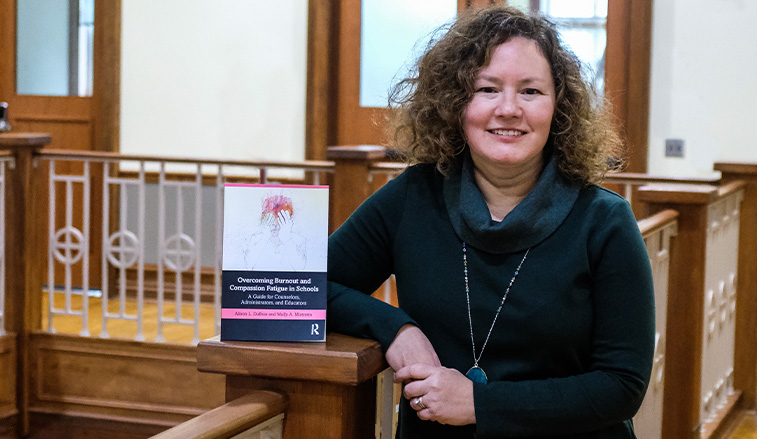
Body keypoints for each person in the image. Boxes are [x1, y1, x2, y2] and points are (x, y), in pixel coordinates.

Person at [327, 5, 654, 439]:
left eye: (531, 91)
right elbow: (306, 283)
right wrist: (395, 328)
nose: (509, 109)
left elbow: (621, 387)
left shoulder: (606, 221)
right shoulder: (414, 195)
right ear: (454, 103)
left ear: (560, 108)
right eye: (486, 88)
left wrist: (479, 403)